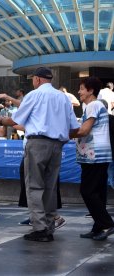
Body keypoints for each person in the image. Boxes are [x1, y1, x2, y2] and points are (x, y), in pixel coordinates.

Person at [0, 67, 79, 242]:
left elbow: (16, 120)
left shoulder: (34, 95)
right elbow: (74, 126)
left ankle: (40, 228)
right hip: (57, 145)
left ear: (38, 79)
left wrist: (1, 120)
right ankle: (49, 226)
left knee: (34, 186)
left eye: (33, 78)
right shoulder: (63, 98)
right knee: (50, 187)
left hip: (37, 143)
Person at [70, 77, 114, 241]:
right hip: (98, 155)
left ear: (90, 90)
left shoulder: (93, 105)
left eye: (82, 88)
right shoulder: (94, 106)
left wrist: (64, 133)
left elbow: (84, 131)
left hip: (94, 156)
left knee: (87, 191)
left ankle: (107, 223)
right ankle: (98, 227)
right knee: (98, 192)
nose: (79, 92)